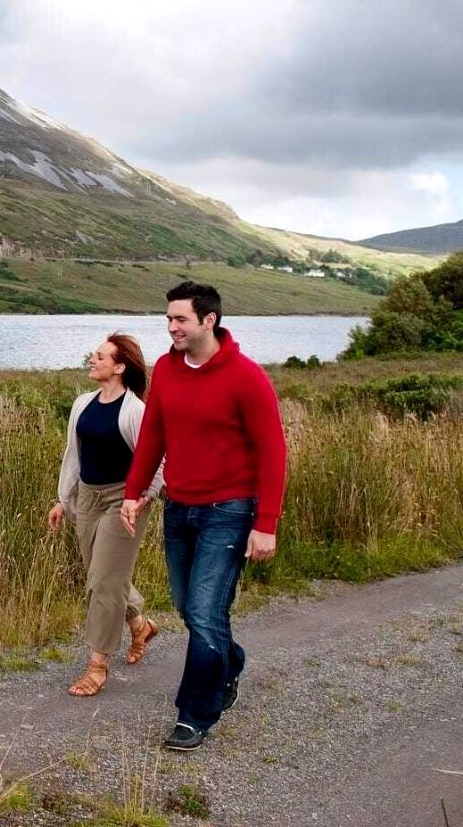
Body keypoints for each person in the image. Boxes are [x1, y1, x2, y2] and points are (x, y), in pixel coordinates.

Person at [120, 281, 287, 751]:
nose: (171, 327)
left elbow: (273, 453)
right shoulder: (168, 372)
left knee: (204, 610)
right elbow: (153, 435)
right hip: (180, 508)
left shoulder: (246, 377)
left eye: (180, 319)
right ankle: (229, 661)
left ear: (208, 321)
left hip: (230, 511)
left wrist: (266, 524)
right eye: (169, 318)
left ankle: (195, 714)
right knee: (188, 608)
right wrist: (134, 493)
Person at [47, 332, 164, 697]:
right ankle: (140, 624)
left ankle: (97, 665)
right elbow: (73, 458)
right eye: (94, 355)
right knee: (101, 575)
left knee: (103, 582)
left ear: (119, 366)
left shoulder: (136, 411)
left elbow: (158, 460)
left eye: (100, 356)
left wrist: (143, 497)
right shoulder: (83, 404)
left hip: (123, 501)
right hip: (87, 498)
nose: (92, 360)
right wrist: (63, 501)